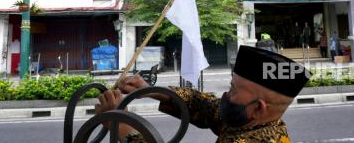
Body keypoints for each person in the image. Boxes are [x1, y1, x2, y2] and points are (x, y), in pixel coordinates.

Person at [95, 45, 310, 142]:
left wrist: (118, 124)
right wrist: (151, 91)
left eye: (233, 91)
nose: (225, 95)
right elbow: (205, 106)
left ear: (258, 107)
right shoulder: (256, 121)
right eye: (230, 85)